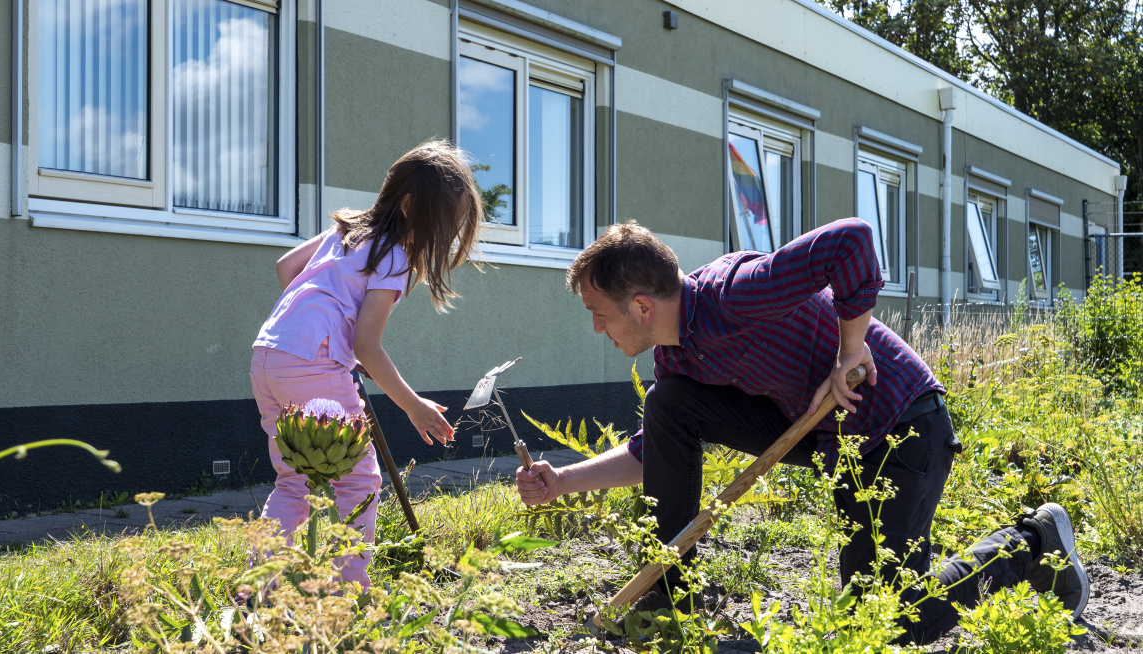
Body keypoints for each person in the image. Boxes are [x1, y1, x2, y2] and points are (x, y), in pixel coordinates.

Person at [515, 218, 1088, 643]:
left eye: (599, 312)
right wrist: (560, 481)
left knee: (886, 622)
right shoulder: (677, 353)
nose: (596, 328)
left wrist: (851, 350)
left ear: (641, 306)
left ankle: (1032, 541)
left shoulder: (734, 294)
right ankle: (670, 598)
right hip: (823, 434)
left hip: (900, 423)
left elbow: (853, 243)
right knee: (669, 403)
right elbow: (653, 452)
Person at [250, 140, 483, 589]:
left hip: (268, 354)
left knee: (293, 479)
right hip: (313, 365)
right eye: (441, 226)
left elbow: (286, 268)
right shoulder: (392, 255)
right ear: (411, 207)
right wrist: (413, 405)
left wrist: (322, 314)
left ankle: (259, 587)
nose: (441, 239)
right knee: (359, 482)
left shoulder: (346, 229)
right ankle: (350, 590)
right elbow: (367, 345)